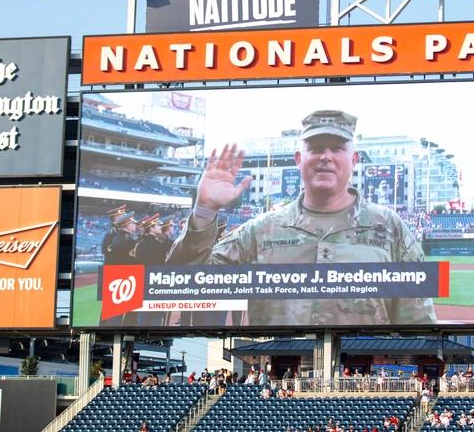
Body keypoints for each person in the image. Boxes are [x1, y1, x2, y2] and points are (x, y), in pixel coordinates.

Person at [167, 110, 437, 327]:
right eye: (316, 148)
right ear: (299, 158)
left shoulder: (390, 228)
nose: (326, 157)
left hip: (361, 383)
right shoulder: (261, 231)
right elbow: (189, 286)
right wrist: (204, 212)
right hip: (276, 385)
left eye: (337, 148)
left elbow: (417, 319)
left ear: (354, 159)